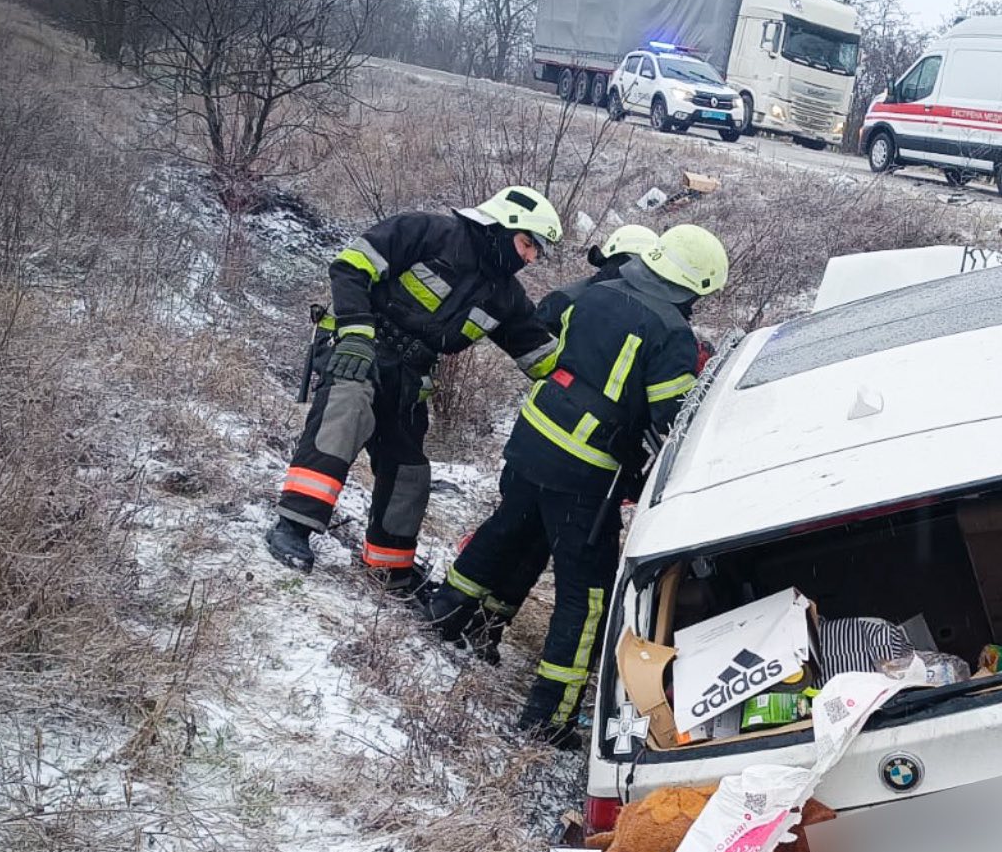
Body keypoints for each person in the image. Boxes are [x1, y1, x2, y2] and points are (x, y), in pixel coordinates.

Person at [421, 224, 728, 746]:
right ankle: (549, 717)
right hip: (584, 472)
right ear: (693, 285)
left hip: (531, 442)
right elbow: (672, 420)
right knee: (584, 600)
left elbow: (543, 347)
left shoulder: (597, 292)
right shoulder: (672, 333)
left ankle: (447, 614)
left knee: (505, 531)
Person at [265, 186, 563, 586]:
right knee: (347, 409)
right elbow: (350, 267)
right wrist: (355, 333)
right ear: (499, 225)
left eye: (537, 252)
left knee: (410, 471)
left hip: (408, 377)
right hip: (359, 346)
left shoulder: (506, 297)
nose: (529, 258)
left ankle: (388, 569)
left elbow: (545, 359)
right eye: (527, 243)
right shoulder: (428, 231)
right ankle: (294, 526)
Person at [432, 225, 669, 655]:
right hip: (563, 449)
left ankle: (483, 625)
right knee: (516, 536)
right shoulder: (580, 301)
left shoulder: (590, 300)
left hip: (547, 443)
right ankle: (466, 619)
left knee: (525, 540)